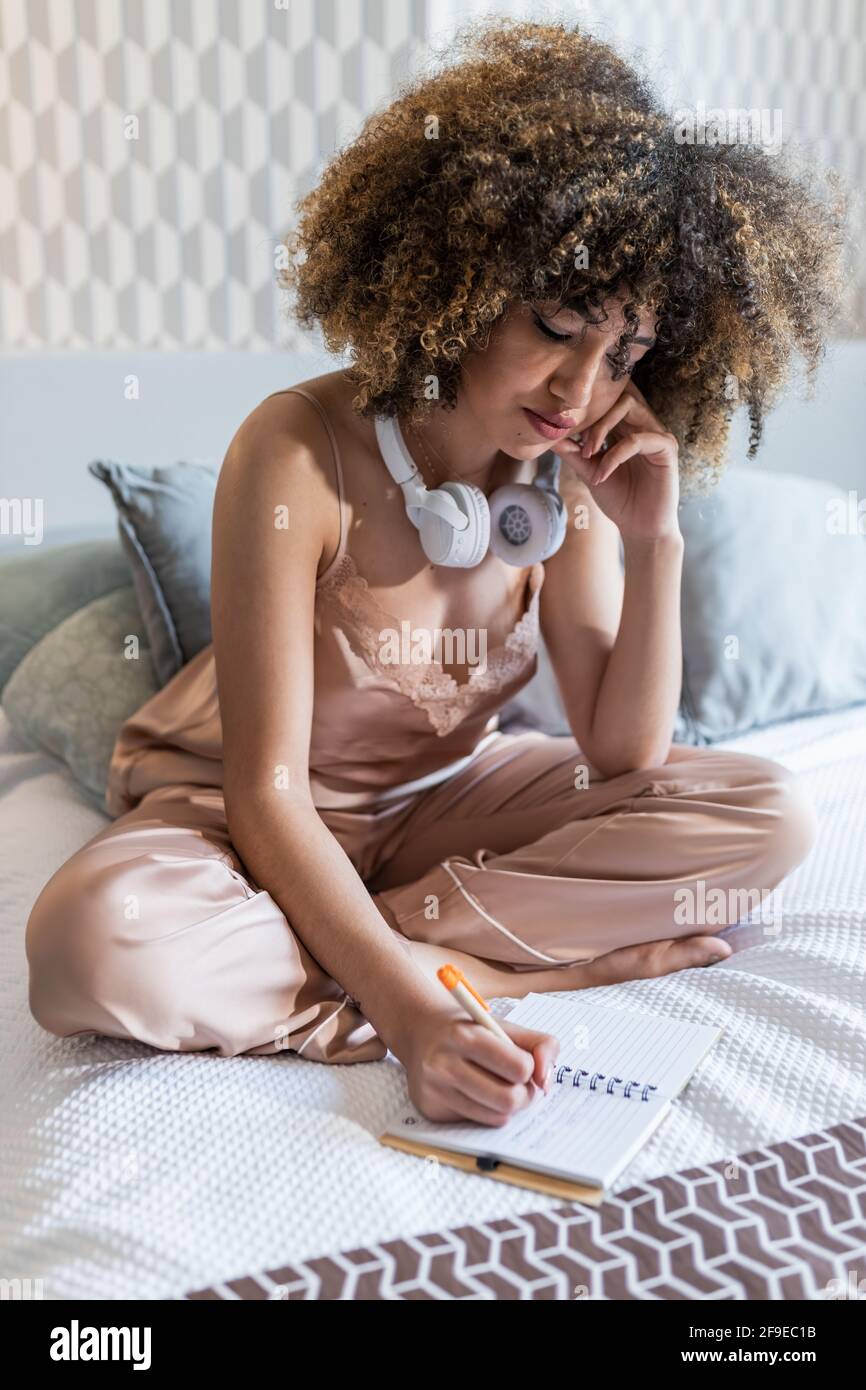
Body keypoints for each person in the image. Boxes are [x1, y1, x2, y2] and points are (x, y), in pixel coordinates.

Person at [26, 19, 843, 1128]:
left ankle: (377, 945)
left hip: (442, 809)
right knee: (87, 941)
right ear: (459, 278)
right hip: (243, 817)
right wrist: (418, 1015)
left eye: (628, 351)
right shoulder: (294, 449)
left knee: (766, 815)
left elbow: (619, 752)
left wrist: (653, 541)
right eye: (556, 325)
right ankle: (485, 971)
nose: (581, 386)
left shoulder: (566, 469)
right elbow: (268, 796)